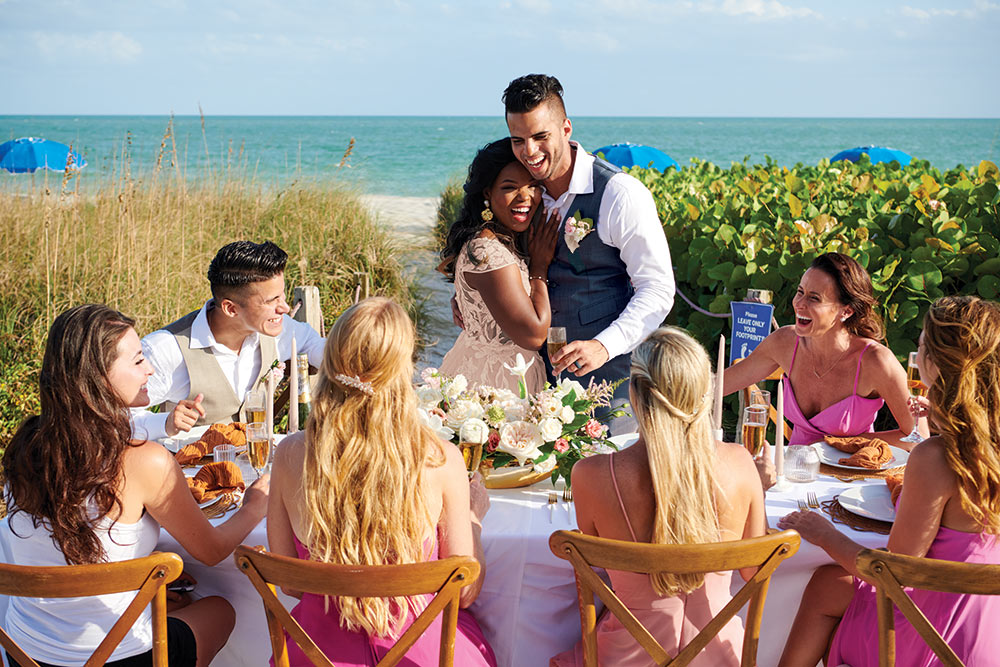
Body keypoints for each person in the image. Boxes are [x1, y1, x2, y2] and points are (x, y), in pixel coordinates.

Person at [2, 304, 269, 667]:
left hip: (26, 652)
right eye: (139, 359)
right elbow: (212, 551)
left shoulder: (26, 445)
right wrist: (256, 503)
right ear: (98, 376)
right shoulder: (144, 461)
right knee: (220, 610)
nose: (151, 369)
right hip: (119, 659)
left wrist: (147, 584)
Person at [267, 297, 496, 666]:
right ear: (402, 368)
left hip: (315, 654)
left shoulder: (291, 454)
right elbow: (464, 591)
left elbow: (291, 583)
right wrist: (473, 518)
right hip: (419, 652)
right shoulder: (438, 458)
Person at [777, 295, 1000, 666]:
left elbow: (893, 574)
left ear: (934, 364)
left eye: (923, 344)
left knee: (824, 585)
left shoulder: (937, 458)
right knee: (835, 586)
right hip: (987, 639)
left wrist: (824, 534)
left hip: (931, 642)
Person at [551, 326, 767, 666]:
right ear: (704, 395)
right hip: (719, 656)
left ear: (635, 395)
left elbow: (599, 566)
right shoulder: (740, 463)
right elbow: (755, 569)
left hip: (626, 656)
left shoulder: (588, 475)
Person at [502, 74, 676, 431]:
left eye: (540, 136)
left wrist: (603, 346)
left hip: (609, 385)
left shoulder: (620, 194)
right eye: (518, 140)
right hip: (533, 383)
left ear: (566, 128)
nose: (529, 152)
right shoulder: (520, 191)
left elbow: (658, 289)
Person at [723, 252, 921, 448]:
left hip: (853, 474)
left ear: (846, 311)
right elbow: (718, 387)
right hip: (794, 471)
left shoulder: (876, 361)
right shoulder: (785, 343)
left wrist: (841, 444)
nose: (799, 304)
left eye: (814, 298)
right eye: (800, 292)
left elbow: (917, 436)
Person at [131, 240, 324, 441]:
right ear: (231, 309)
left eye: (282, 296)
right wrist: (164, 423)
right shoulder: (166, 349)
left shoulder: (279, 329)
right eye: (271, 301)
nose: (284, 308)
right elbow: (116, 418)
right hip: (192, 470)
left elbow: (315, 346)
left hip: (263, 467)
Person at [438, 138, 559, 394]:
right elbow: (534, 335)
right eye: (510, 187)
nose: (525, 197)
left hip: (499, 371)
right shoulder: (486, 250)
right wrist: (539, 268)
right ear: (487, 193)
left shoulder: (503, 239)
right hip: (495, 384)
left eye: (533, 186)